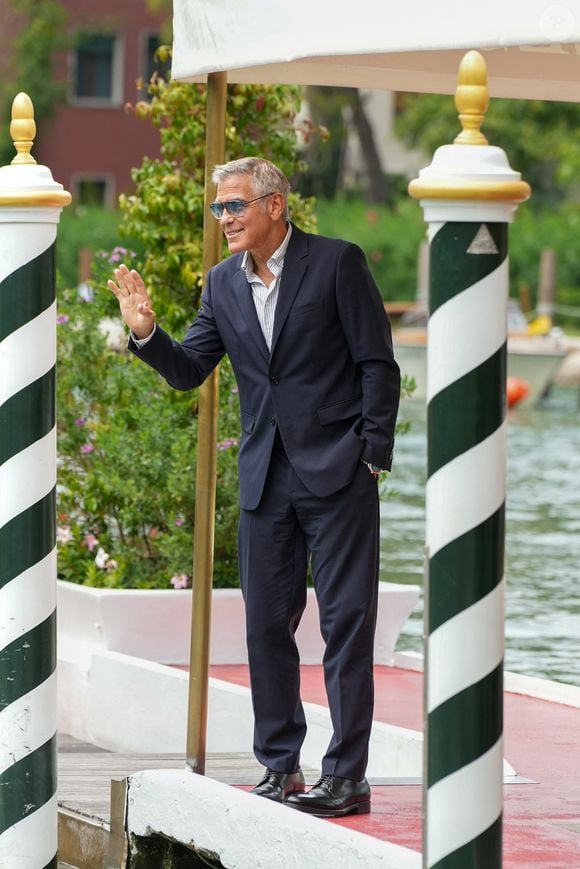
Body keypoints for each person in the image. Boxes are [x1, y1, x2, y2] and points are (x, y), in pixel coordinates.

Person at [108, 157, 400, 818]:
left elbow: (378, 364)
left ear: (274, 205)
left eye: (234, 205)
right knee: (266, 625)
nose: (225, 219)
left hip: (339, 472)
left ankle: (346, 776)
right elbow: (190, 369)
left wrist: (372, 455)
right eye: (219, 208)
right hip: (265, 479)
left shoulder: (337, 263)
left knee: (346, 623)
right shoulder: (221, 284)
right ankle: (280, 766)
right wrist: (145, 331)